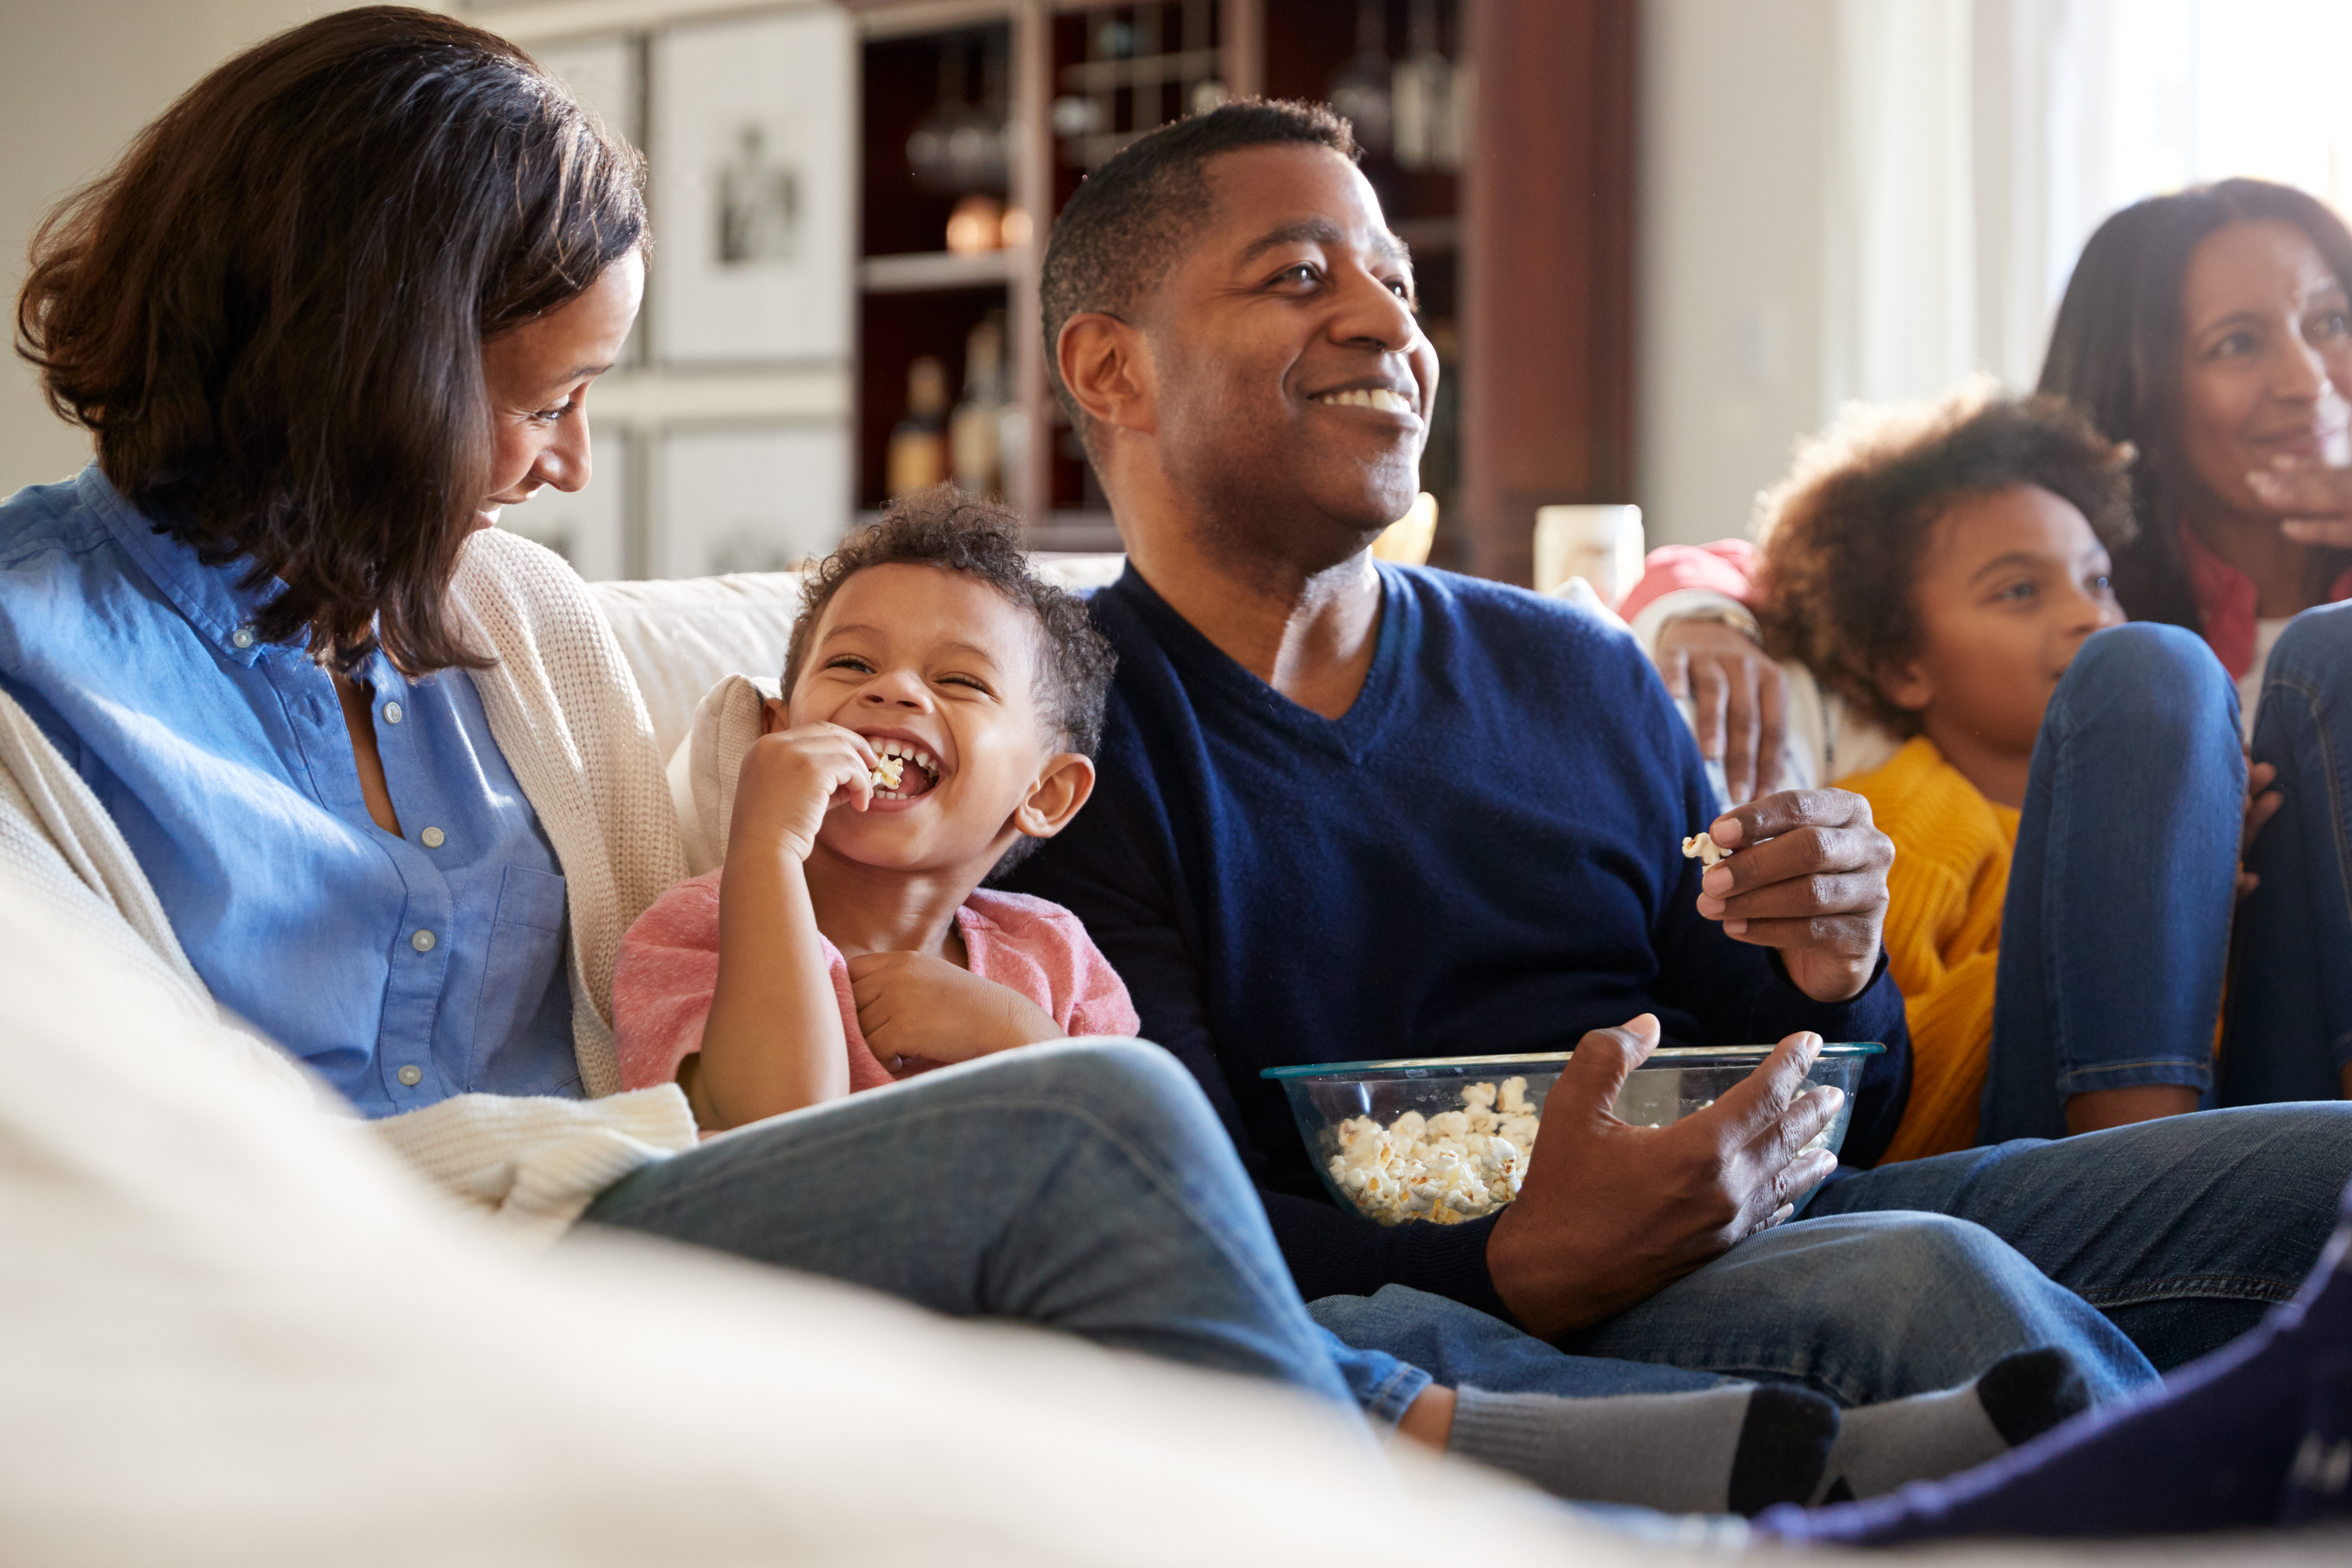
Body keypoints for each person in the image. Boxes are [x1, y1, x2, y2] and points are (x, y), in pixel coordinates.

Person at [0, 3, 1367, 1426]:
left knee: (1094, 1156)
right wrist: (632, 1145)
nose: (575, 464)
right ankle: (1424, 1452)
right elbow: (115, 1171)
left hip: (653, 1211)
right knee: (1098, 1120)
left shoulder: (513, 620)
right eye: (553, 400)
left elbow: (726, 983)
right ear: (371, 375)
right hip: (353, 1284)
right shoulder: (32, 674)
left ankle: (1430, 1426)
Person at [1003, 99, 2352, 1407]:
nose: (1388, 323)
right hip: (1472, 1307)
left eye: (1400, 282)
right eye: (1299, 276)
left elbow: (1849, 1109)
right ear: (1111, 367)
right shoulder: (1054, 736)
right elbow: (1170, 1203)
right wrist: (1511, 1262)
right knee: (1924, 1282)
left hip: (1792, 1209)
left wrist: (1833, 969)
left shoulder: (1574, 668)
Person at [608, 487, 2088, 1513]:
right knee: (1362, 1342)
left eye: (955, 682)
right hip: (926, 1321)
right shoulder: (718, 923)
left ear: (1052, 790)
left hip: (1144, 1311)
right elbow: (765, 1137)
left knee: (1386, 1333)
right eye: (848, 668)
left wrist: (1015, 1036)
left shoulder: (1051, 952)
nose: (890, 700)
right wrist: (763, 850)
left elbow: (1173, 1194)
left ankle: (1731, 1479)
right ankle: (1755, 1466)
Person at [1628, 177, 2352, 802]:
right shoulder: (2082, 578)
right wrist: (1701, 618)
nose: (2307, 381)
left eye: (2328, 322)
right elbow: (1802, 568)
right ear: (2142, 392)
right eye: (2236, 344)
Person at [1744, 383, 2314, 1151]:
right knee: (2153, 665)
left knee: (2333, 651)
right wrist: (2136, 891)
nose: (2087, 613)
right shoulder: (1909, 815)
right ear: (1902, 661)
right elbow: (1895, 1105)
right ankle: (2140, 1194)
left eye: (2097, 580)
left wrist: (2192, 881)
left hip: (2249, 1135)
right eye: (2019, 591)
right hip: (2036, 1166)